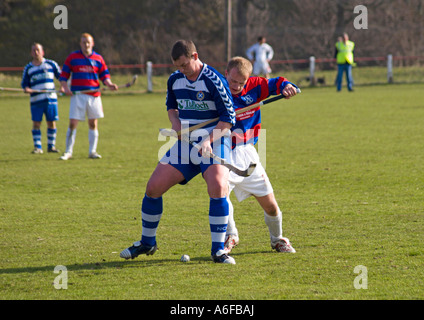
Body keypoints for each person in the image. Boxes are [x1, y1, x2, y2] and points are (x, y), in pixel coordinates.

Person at [120, 40, 237, 264]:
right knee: (153, 188)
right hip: (185, 143)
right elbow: (171, 107)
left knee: (218, 186)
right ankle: (147, 243)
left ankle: (218, 250)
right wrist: (175, 122)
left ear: (195, 56)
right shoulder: (175, 79)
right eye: (178, 66)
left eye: (184, 65)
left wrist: (208, 140)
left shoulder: (214, 81)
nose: (181, 70)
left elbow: (227, 121)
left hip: (214, 142)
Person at [223, 56, 298, 254]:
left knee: (271, 206)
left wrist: (288, 87)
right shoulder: (217, 89)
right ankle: (230, 235)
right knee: (220, 196)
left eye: (241, 83)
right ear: (226, 74)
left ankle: (278, 239)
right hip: (222, 152)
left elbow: (278, 83)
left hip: (248, 153)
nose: (237, 86)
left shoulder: (255, 86)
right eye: (233, 81)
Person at [59, 33, 118, 160]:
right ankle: (68, 152)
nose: (86, 44)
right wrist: (64, 87)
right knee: (72, 123)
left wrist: (109, 84)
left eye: (88, 42)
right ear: (80, 44)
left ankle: (92, 151)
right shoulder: (72, 57)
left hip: (93, 96)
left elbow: (104, 76)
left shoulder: (98, 58)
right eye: (83, 42)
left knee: (93, 123)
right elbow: (64, 75)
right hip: (78, 95)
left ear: (92, 43)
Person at [21, 43, 61, 154]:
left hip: (50, 100)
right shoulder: (28, 68)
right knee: (36, 123)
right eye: (33, 50)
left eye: (38, 50)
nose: (36, 52)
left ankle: (51, 146)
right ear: (31, 53)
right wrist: (27, 89)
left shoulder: (51, 64)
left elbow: (62, 77)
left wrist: (63, 87)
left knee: (51, 122)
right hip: (36, 101)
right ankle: (38, 147)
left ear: (42, 52)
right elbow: (24, 84)